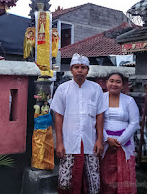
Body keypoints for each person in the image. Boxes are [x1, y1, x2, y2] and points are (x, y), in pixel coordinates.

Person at [50, 53, 108, 194]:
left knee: (92, 180)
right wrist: (59, 142)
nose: (79, 70)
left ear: (88, 70)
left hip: (90, 140)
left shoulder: (96, 89)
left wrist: (100, 140)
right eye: (76, 67)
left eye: (83, 67)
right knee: (66, 179)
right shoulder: (63, 89)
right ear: (71, 70)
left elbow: (100, 115)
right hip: (69, 140)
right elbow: (58, 116)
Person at [100, 73, 139, 194]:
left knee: (124, 174)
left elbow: (134, 123)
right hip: (104, 143)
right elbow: (95, 120)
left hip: (124, 144)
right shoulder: (100, 99)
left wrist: (120, 141)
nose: (114, 84)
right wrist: (107, 139)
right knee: (105, 174)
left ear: (123, 85)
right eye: (111, 81)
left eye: (118, 82)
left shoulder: (129, 101)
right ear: (106, 83)